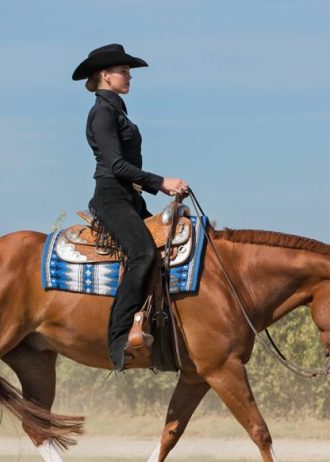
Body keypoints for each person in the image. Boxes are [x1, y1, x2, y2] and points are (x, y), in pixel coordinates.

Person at [72, 43, 189, 370]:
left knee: (169, 252)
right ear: (104, 76)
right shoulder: (103, 113)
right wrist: (161, 182)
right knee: (144, 254)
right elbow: (116, 165)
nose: (129, 77)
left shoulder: (116, 110)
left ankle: (160, 333)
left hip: (129, 197)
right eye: (123, 71)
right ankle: (119, 338)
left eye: (128, 71)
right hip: (112, 196)